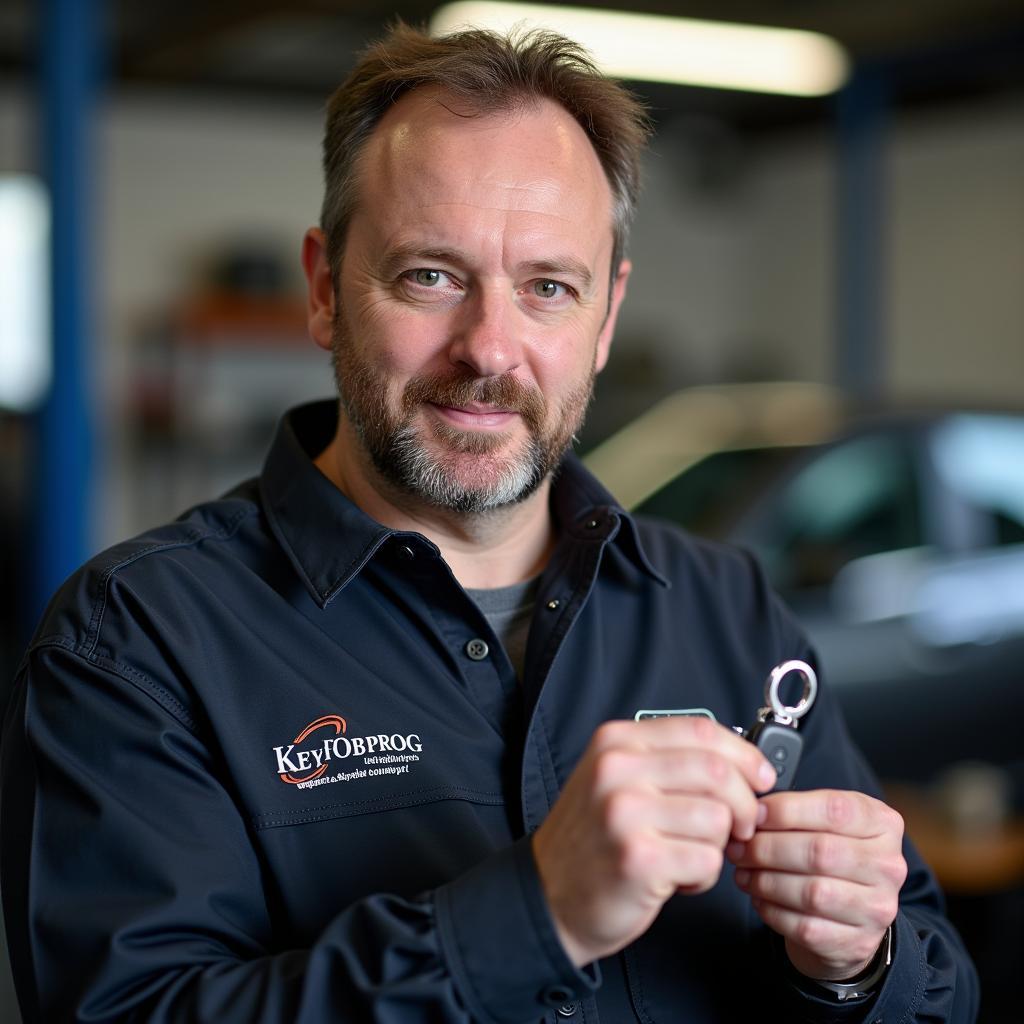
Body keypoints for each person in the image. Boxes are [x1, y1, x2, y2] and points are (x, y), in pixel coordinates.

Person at [1, 22, 977, 1024]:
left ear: (603, 321)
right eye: (431, 274)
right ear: (327, 289)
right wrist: (536, 914)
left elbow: (938, 982)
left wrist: (855, 965)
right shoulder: (136, 644)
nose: (489, 350)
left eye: (547, 288)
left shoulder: (726, 608)